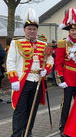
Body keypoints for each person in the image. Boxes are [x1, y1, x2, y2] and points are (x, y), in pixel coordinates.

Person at [6, 8, 54, 137]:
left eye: (34, 29)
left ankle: (28, 133)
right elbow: (10, 62)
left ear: (37, 30)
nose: (32, 31)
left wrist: (46, 70)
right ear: (25, 30)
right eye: (29, 29)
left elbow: (50, 59)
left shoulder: (43, 44)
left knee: (32, 110)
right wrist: (14, 80)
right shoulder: (16, 43)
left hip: (37, 81)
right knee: (20, 111)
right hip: (22, 81)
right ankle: (17, 134)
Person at [55, 7, 76, 137]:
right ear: (69, 31)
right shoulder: (62, 44)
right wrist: (61, 79)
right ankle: (63, 127)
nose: (74, 32)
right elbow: (58, 63)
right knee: (66, 105)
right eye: (72, 30)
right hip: (68, 79)